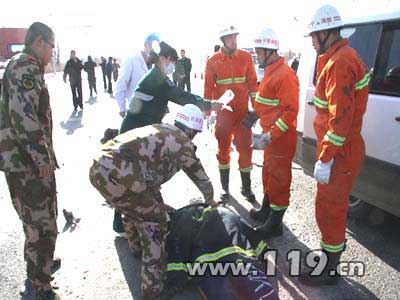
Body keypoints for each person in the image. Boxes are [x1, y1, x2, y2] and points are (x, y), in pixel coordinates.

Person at [89, 104, 218, 300]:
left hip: (100, 168)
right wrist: (211, 201)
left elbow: (145, 174)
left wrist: (157, 203)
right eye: (195, 133)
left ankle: (136, 247)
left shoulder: (162, 130)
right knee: (155, 223)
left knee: (136, 207)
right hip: (119, 176)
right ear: (191, 130)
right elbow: (199, 175)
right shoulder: (181, 141)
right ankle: (153, 289)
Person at [298, 5, 370, 286]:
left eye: (315, 36)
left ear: (327, 32)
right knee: (330, 206)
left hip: (340, 152)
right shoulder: (338, 57)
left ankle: (329, 270)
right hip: (342, 148)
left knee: (331, 208)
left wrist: (326, 157)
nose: (313, 42)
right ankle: (332, 252)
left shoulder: (340, 62)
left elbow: (340, 118)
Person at [0, 22, 60, 300]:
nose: (52, 52)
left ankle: (39, 269)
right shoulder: (26, 67)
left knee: (33, 221)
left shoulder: (19, 65)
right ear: (39, 42)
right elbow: (24, 117)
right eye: (51, 46)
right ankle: (40, 283)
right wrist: (41, 157)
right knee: (43, 224)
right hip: (27, 163)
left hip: (19, 161)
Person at [242, 29, 299, 238]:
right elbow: (268, 103)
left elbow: (290, 111)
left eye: (258, 51)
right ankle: (266, 211)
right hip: (271, 137)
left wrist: (271, 135)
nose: (256, 55)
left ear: (269, 50)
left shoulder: (285, 74)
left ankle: (274, 226)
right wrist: (254, 114)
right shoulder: (270, 72)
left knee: (279, 181)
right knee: (268, 175)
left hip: (281, 138)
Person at [204, 25, 258, 202]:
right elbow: (208, 88)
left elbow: (253, 84)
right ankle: (225, 189)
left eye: (235, 37)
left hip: (242, 114)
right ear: (223, 40)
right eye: (230, 38)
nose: (234, 41)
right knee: (223, 150)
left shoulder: (246, 57)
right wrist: (208, 111)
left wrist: (256, 110)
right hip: (224, 114)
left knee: (245, 149)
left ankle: (246, 188)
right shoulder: (212, 61)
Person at [114, 33, 161, 118]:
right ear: (146, 44)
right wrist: (122, 108)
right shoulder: (132, 60)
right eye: (152, 46)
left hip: (152, 112)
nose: (154, 50)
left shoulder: (155, 64)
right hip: (135, 110)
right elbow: (120, 85)